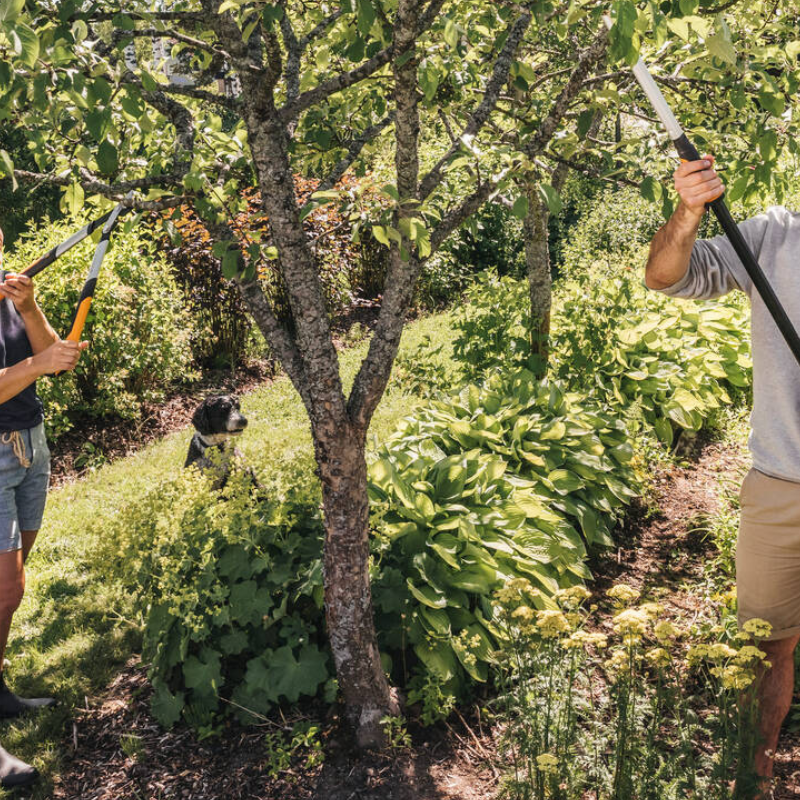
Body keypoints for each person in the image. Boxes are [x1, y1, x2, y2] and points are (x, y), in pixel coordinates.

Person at [646, 155, 800, 799]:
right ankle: (753, 780)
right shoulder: (773, 237)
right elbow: (665, 277)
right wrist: (687, 212)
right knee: (764, 648)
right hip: (781, 485)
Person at [0, 226, 87, 788]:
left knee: (9, 585)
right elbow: (35, 368)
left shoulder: (8, 294)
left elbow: (55, 358)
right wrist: (36, 367)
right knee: (6, 588)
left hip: (30, 445)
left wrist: (31, 309)